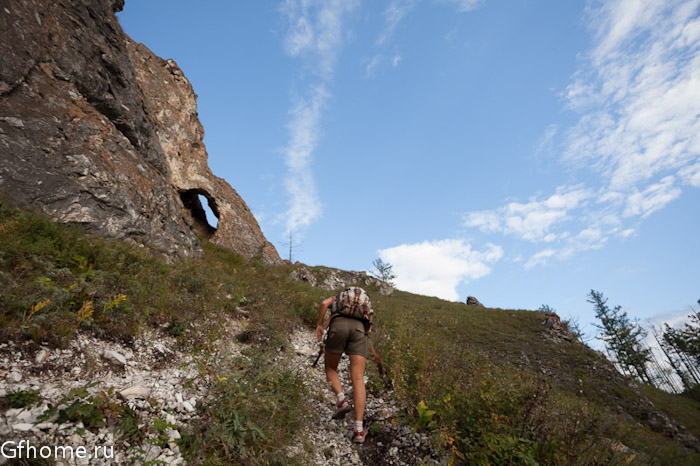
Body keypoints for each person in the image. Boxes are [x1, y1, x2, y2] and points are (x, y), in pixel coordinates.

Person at [315, 288, 373, 444]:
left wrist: (320, 324)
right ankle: (359, 431)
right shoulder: (363, 306)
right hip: (359, 330)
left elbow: (323, 303)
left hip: (338, 327)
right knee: (358, 378)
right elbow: (370, 321)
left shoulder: (336, 299)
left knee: (330, 368)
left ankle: (342, 400)